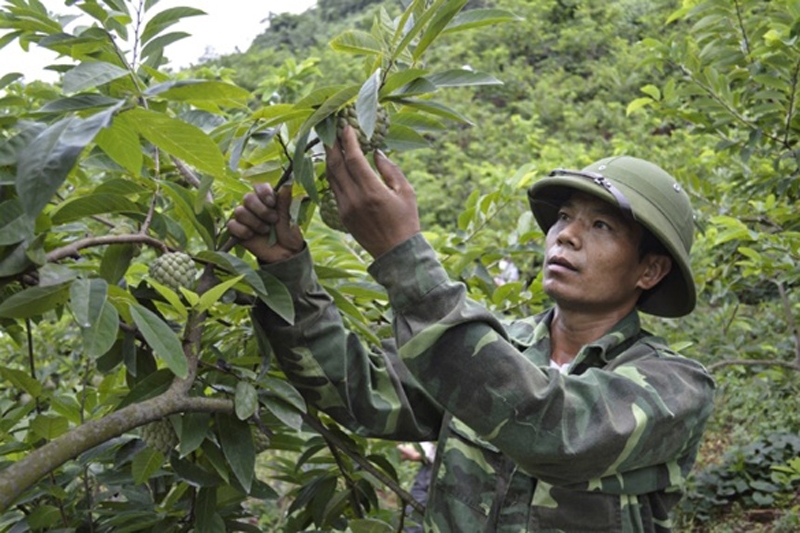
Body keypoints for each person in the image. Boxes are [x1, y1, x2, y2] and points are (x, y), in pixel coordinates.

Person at [227, 125, 716, 532]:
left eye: (601, 226)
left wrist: (403, 256)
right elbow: (361, 391)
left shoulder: (675, 388)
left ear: (649, 271)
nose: (566, 234)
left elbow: (554, 429)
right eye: (565, 217)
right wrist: (287, 271)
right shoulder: (495, 345)